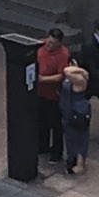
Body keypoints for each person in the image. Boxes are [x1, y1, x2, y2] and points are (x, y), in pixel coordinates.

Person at [37, 28, 71, 163]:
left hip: (54, 96)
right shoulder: (41, 45)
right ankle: (42, 146)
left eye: (53, 43)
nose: (49, 45)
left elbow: (61, 76)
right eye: (49, 42)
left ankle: (56, 153)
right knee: (41, 122)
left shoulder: (63, 54)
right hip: (40, 93)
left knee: (56, 126)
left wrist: (43, 80)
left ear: (59, 43)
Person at [60, 63, 91, 175]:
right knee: (70, 138)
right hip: (68, 110)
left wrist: (81, 71)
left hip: (78, 112)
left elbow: (66, 70)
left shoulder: (80, 79)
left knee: (79, 138)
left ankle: (79, 164)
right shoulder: (72, 78)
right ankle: (72, 159)